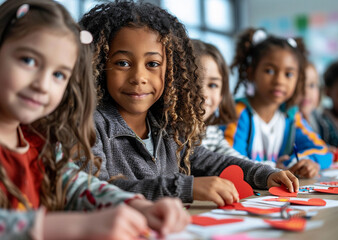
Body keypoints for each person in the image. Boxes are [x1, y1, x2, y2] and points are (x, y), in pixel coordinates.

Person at [80, 1, 299, 207]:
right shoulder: (89, 126)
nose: (139, 77)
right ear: (99, 65)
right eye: (123, 63)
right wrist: (185, 187)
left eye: (153, 64)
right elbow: (96, 191)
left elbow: (211, 161)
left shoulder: (168, 126)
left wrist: (266, 174)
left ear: (172, 70)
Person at [0, 0, 189, 239]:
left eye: (59, 74)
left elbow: (78, 186)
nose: (42, 85)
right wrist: (70, 227)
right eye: (28, 61)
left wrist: (138, 206)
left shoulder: (39, 143)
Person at [225, 28, 332, 178]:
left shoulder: (291, 115)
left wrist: (304, 162)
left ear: (298, 79)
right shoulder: (238, 112)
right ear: (251, 73)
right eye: (269, 71)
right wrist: (273, 167)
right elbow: (230, 162)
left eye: (288, 74)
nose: (279, 81)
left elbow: (323, 151)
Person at [192, 39, 250, 160]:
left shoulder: (212, 133)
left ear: (222, 95)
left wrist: (273, 170)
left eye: (213, 85)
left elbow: (236, 162)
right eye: (193, 83)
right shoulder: (164, 136)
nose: (203, 94)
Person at [298, 62, 322, 134]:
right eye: (299, 85)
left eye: (311, 85)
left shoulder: (319, 120)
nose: (306, 92)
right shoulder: (289, 123)